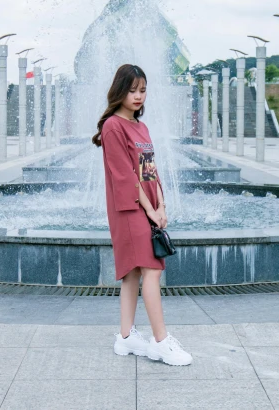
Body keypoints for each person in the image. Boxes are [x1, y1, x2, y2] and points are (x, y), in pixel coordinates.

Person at [91, 64, 193, 367]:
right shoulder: (113, 126)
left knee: (134, 273)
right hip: (128, 208)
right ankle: (161, 342)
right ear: (120, 90)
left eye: (143, 90)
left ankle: (125, 337)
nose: (138, 96)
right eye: (132, 90)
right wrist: (150, 210)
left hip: (145, 205)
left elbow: (150, 171)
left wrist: (161, 206)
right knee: (151, 269)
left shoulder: (140, 127)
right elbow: (124, 176)